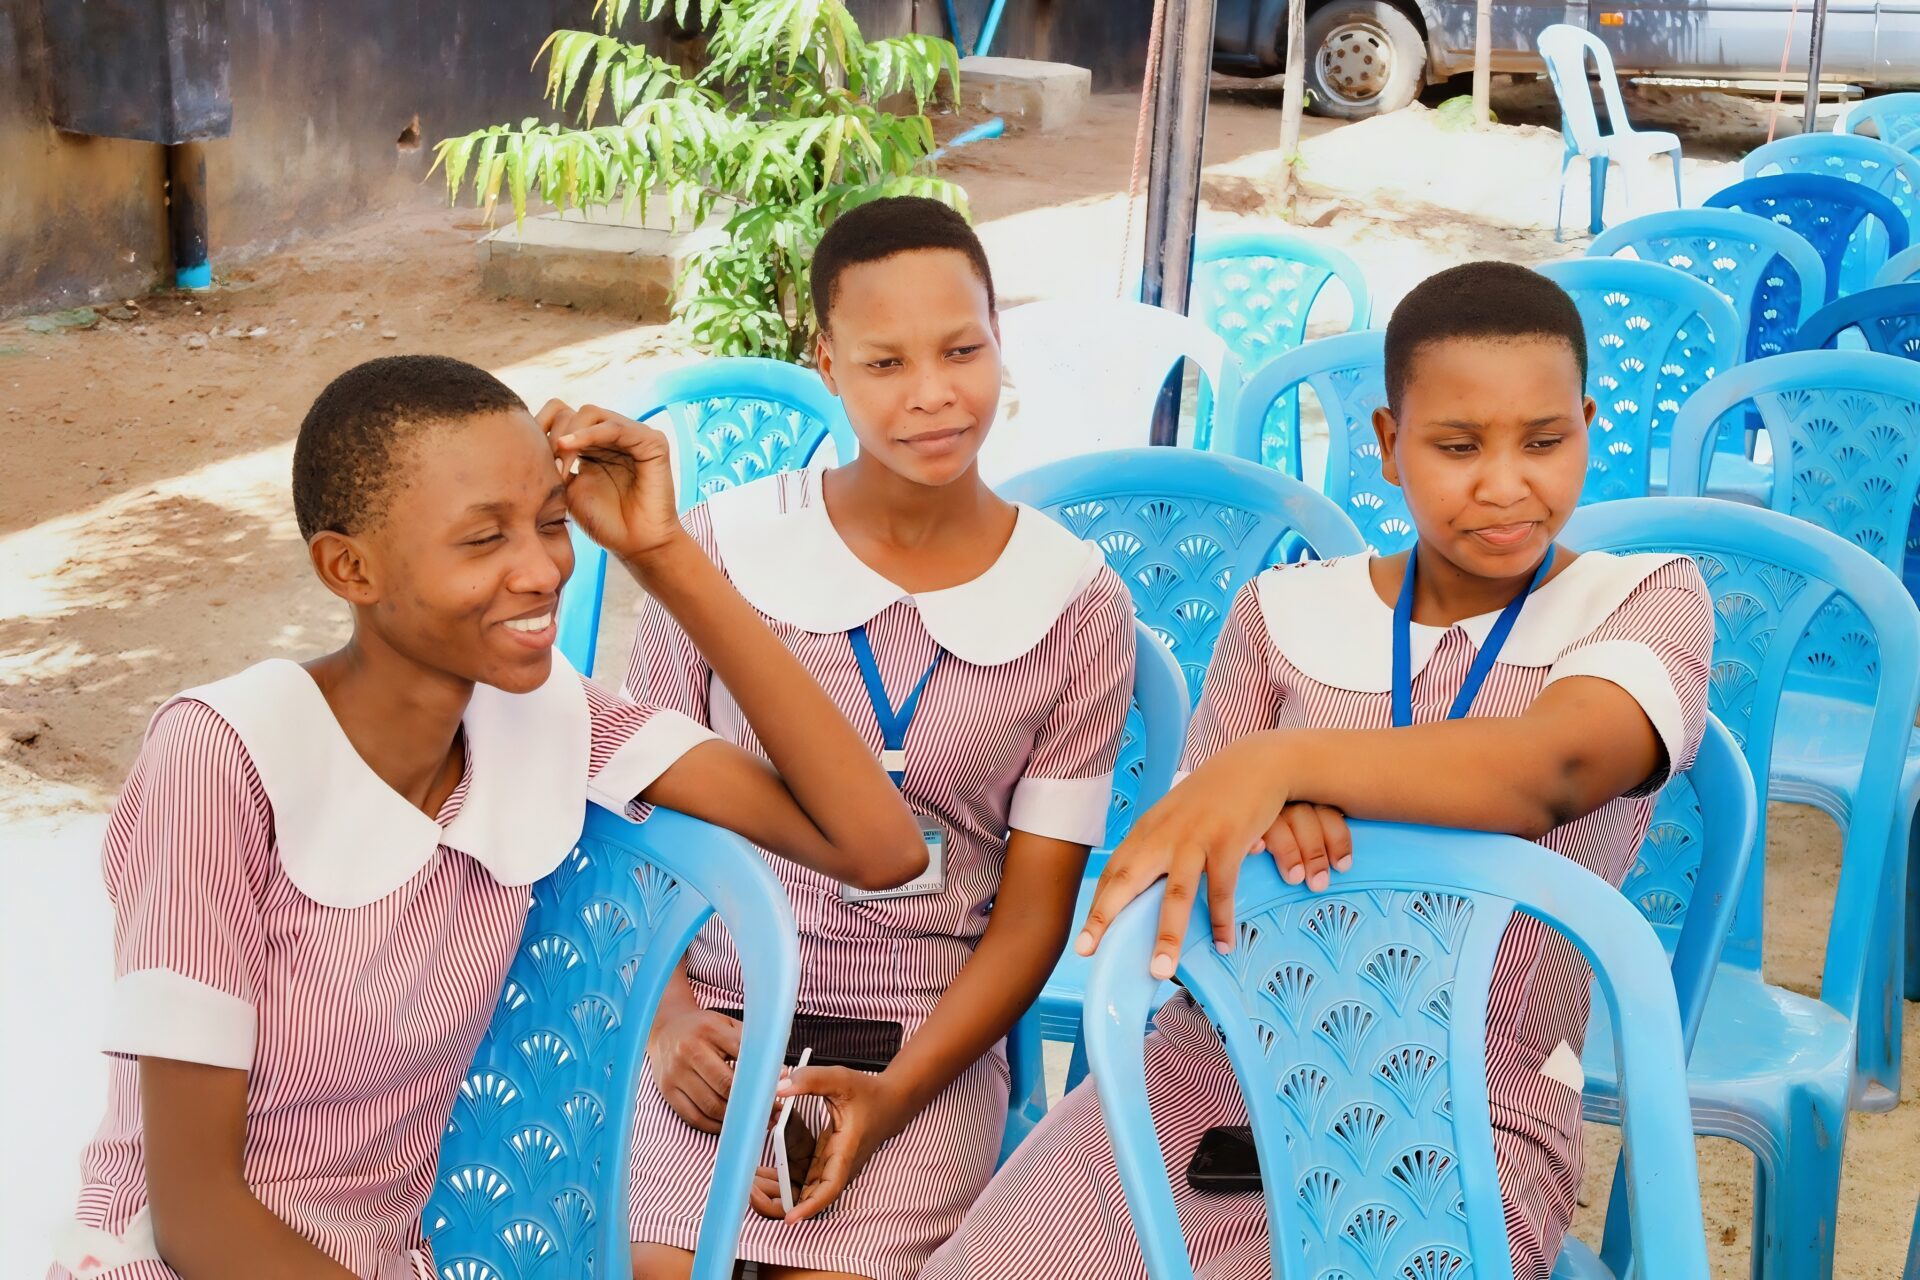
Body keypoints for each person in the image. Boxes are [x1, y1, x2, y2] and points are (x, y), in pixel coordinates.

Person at [49, 355, 924, 1280]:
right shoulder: (224, 761)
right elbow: (193, 1213)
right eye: (482, 541)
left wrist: (661, 553)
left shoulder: (545, 716)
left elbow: (876, 846)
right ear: (349, 567)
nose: (543, 569)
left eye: (551, 523)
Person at [923, 260, 1715, 1280]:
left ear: (1590, 425)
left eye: (1545, 440)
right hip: (1214, 1080)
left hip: (1469, 1109)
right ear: (1388, 445)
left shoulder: (1643, 596)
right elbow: (1194, 876)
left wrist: (1289, 764)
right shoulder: (1285, 612)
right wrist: (1255, 828)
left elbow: (1555, 766)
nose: (1506, 482)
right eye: (1458, 445)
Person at [622, 196, 1137, 1280]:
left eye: (963, 349)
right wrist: (665, 1017)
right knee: (658, 1265)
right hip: (714, 1007)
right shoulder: (719, 550)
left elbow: (1035, 910)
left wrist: (897, 1092)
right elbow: (637, 819)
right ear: (827, 361)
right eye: (886, 361)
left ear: (1003, 339)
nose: (934, 394)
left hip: (924, 1032)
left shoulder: (1077, 605)